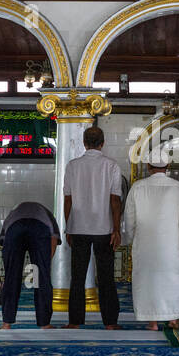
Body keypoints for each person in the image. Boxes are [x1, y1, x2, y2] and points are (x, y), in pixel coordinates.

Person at [124, 151, 179, 330]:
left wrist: (131, 239)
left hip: (145, 244)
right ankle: (173, 319)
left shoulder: (138, 187)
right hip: (172, 244)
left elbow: (129, 219)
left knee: (148, 280)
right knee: (173, 280)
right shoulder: (178, 187)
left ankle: (152, 322)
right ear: (167, 166)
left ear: (148, 166)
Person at [63, 125, 122, 329]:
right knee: (106, 276)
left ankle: (74, 322)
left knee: (77, 277)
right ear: (102, 143)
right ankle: (110, 323)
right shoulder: (112, 166)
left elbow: (68, 200)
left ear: (84, 143)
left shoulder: (72, 165)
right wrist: (116, 229)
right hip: (103, 229)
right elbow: (115, 200)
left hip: (78, 228)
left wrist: (68, 227)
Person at [0, 200, 61, 330]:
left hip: (14, 229)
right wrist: (43, 264)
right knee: (41, 278)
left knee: (11, 278)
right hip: (39, 229)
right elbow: (53, 240)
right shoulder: (48, 215)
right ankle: (45, 323)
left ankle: (6, 323)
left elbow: (4, 244)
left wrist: (11, 269)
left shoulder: (13, 213)